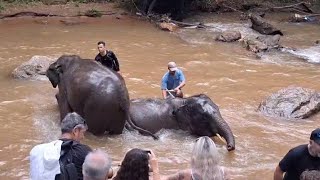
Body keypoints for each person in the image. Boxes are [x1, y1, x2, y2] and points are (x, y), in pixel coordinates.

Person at [30, 112, 92, 180]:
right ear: (75, 131)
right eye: (82, 133)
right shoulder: (83, 151)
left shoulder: (40, 151)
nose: (83, 137)